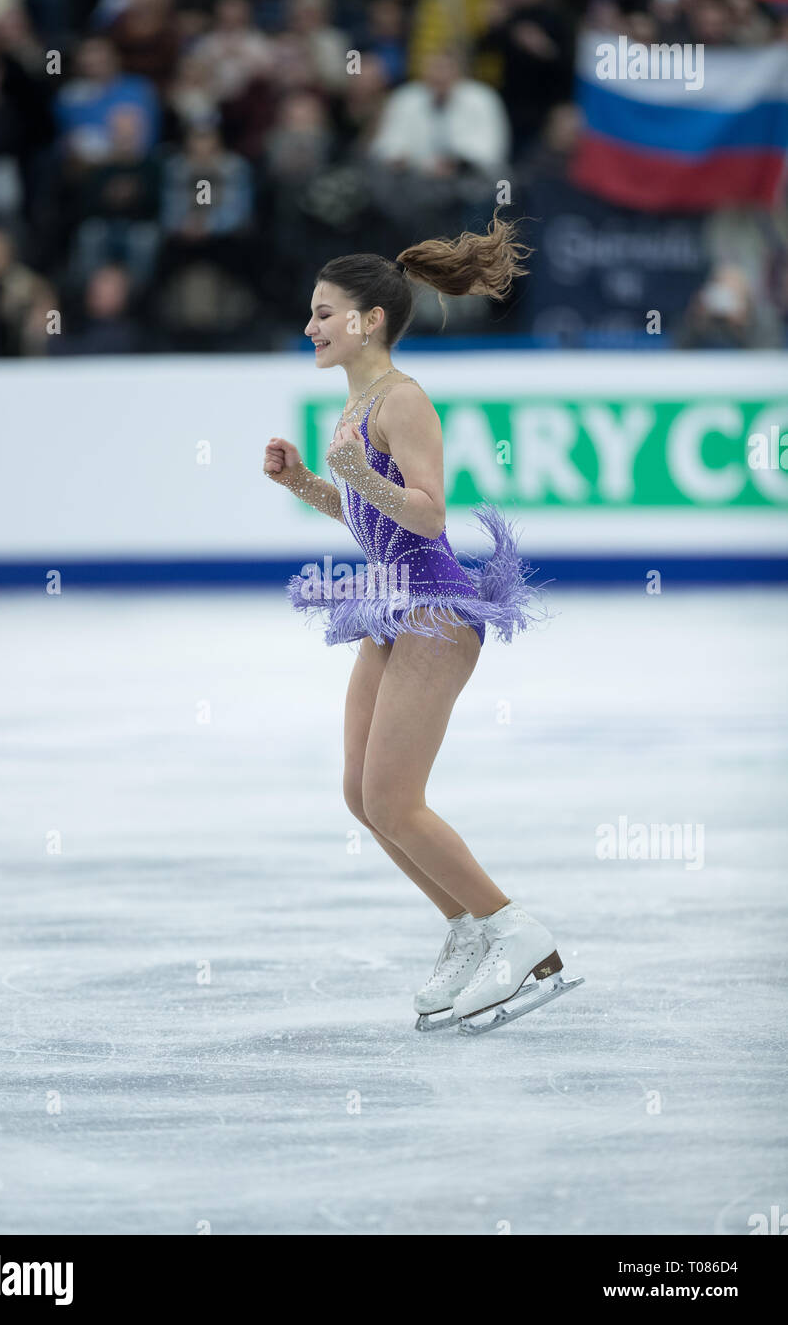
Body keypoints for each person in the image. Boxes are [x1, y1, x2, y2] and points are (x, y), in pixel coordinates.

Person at [262, 214, 584, 1036]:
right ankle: (469, 930)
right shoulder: (355, 405)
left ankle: (521, 935)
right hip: (391, 606)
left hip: (438, 609)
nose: (310, 327)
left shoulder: (402, 400)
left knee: (394, 798)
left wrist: (363, 471)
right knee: (360, 795)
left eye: (324, 313)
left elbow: (430, 515)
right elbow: (375, 523)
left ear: (370, 320)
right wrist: (307, 482)